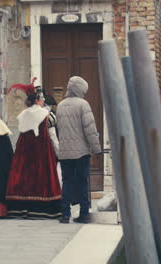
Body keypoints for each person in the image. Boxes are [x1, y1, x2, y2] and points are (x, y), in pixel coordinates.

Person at [5, 78, 62, 219]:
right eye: (42, 99)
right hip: (42, 155)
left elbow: (22, 136)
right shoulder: (48, 117)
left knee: (24, 180)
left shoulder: (24, 116)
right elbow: (53, 138)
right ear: (38, 100)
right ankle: (43, 210)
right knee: (42, 180)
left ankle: (21, 210)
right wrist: (60, 154)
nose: (43, 101)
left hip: (25, 155)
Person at [56, 76, 102, 224]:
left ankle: (64, 214)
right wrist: (96, 149)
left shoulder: (61, 105)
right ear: (80, 89)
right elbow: (90, 129)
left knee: (67, 181)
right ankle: (84, 214)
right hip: (81, 151)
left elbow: (59, 129)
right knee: (83, 182)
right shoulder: (83, 104)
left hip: (64, 151)